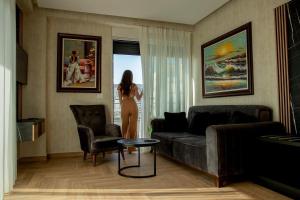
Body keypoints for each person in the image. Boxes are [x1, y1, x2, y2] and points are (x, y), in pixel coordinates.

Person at [118, 70, 143, 153]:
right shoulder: (134, 85)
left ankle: (122, 146)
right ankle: (131, 148)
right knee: (132, 128)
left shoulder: (120, 86)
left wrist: (123, 107)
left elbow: (120, 100)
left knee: (124, 127)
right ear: (131, 77)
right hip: (133, 105)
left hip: (124, 106)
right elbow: (138, 98)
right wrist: (143, 91)